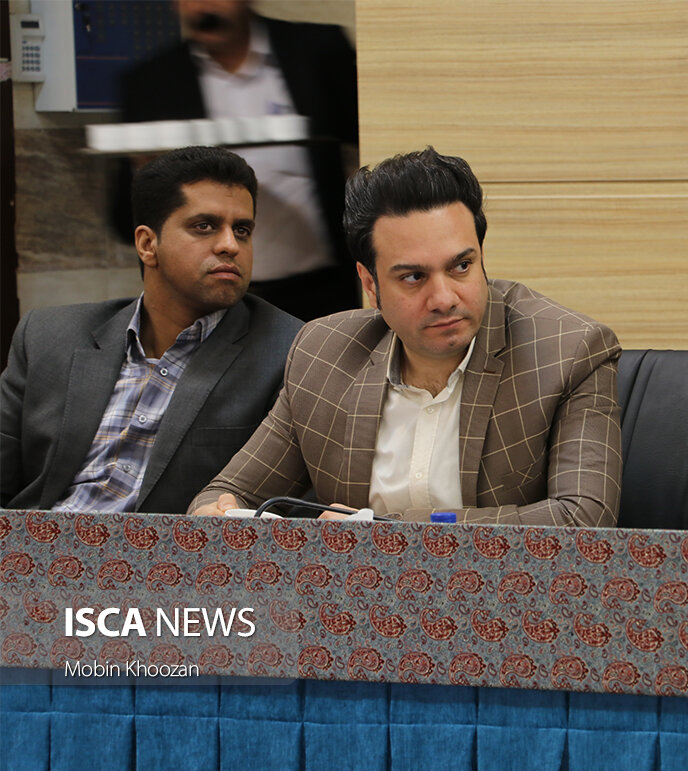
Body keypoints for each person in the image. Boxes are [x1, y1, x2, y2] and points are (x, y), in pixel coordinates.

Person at [190, 147, 623, 526]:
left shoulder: (568, 350)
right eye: (414, 277)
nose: (444, 298)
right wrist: (215, 513)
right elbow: (230, 491)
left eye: (461, 266)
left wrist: (385, 530)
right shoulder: (323, 355)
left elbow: (582, 517)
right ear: (370, 283)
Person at [1, 146, 302, 513]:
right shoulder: (49, 336)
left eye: (242, 230)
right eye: (204, 226)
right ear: (147, 244)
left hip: (173, 549)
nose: (230, 245)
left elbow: (297, 510)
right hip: (34, 543)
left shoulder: (290, 353)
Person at [114, 0, 359, 321]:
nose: (203, 6)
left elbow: (372, 136)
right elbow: (125, 219)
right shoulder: (151, 82)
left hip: (322, 290)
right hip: (210, 298)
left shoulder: (318, 51)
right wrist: (145, 173)